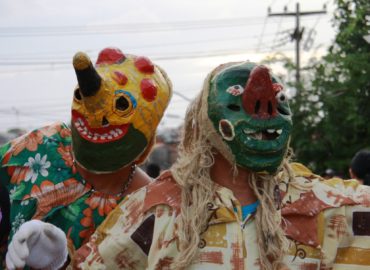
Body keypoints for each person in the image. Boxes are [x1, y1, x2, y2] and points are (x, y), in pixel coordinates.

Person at [7, 62, 370, 270]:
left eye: (275, 101)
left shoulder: (326, 206)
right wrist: (51, 262)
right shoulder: (158, 209)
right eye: (239, 100)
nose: (263, 111)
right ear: (204, 123)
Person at [1, 47, 172, 269]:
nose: (95, 118)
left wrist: (59, 263)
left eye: (121, 106)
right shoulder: (41, 147)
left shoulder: (150, 207)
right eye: (81, 95)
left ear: (149, 134)